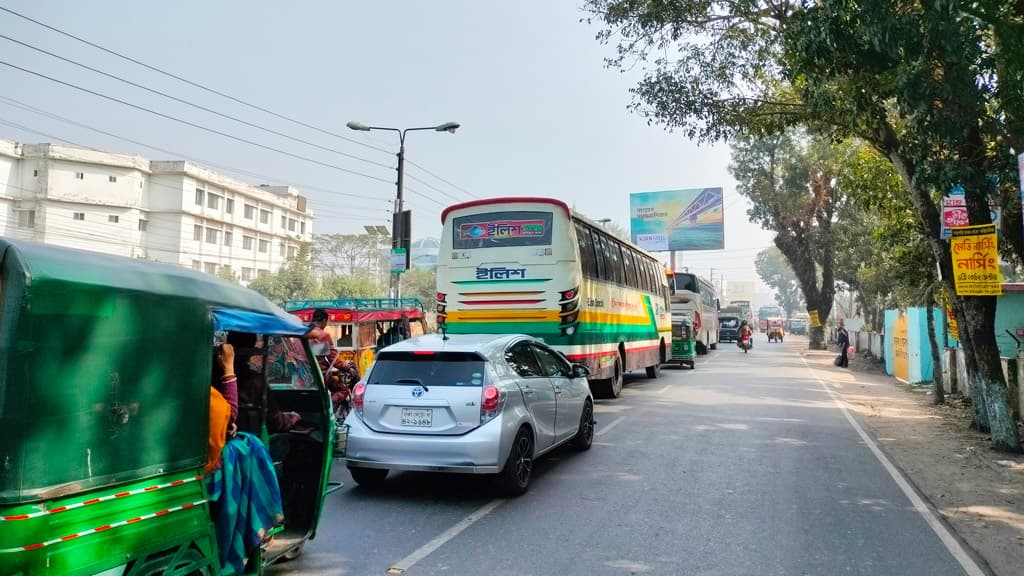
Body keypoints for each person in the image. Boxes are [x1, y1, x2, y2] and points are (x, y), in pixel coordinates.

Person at [205, 343, 285, 575]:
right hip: (210, 471)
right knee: (252, 447)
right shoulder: (207, 395)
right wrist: (229, 368)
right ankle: (262, 524)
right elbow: (229, 417)